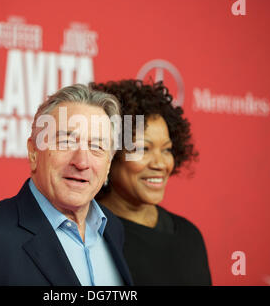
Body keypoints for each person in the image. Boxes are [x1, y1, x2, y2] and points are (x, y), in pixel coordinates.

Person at [0, 84, 133, 286]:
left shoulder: (113, 229)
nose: (81, 162)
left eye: (96, 147)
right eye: (65, 142)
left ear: (108, 164)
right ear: (33, 152)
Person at [90, 80, 212, 285]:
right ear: (110, 154)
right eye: (143, 149)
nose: (160, 163)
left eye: (166, 149)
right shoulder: (87, 236)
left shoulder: (188, 235)